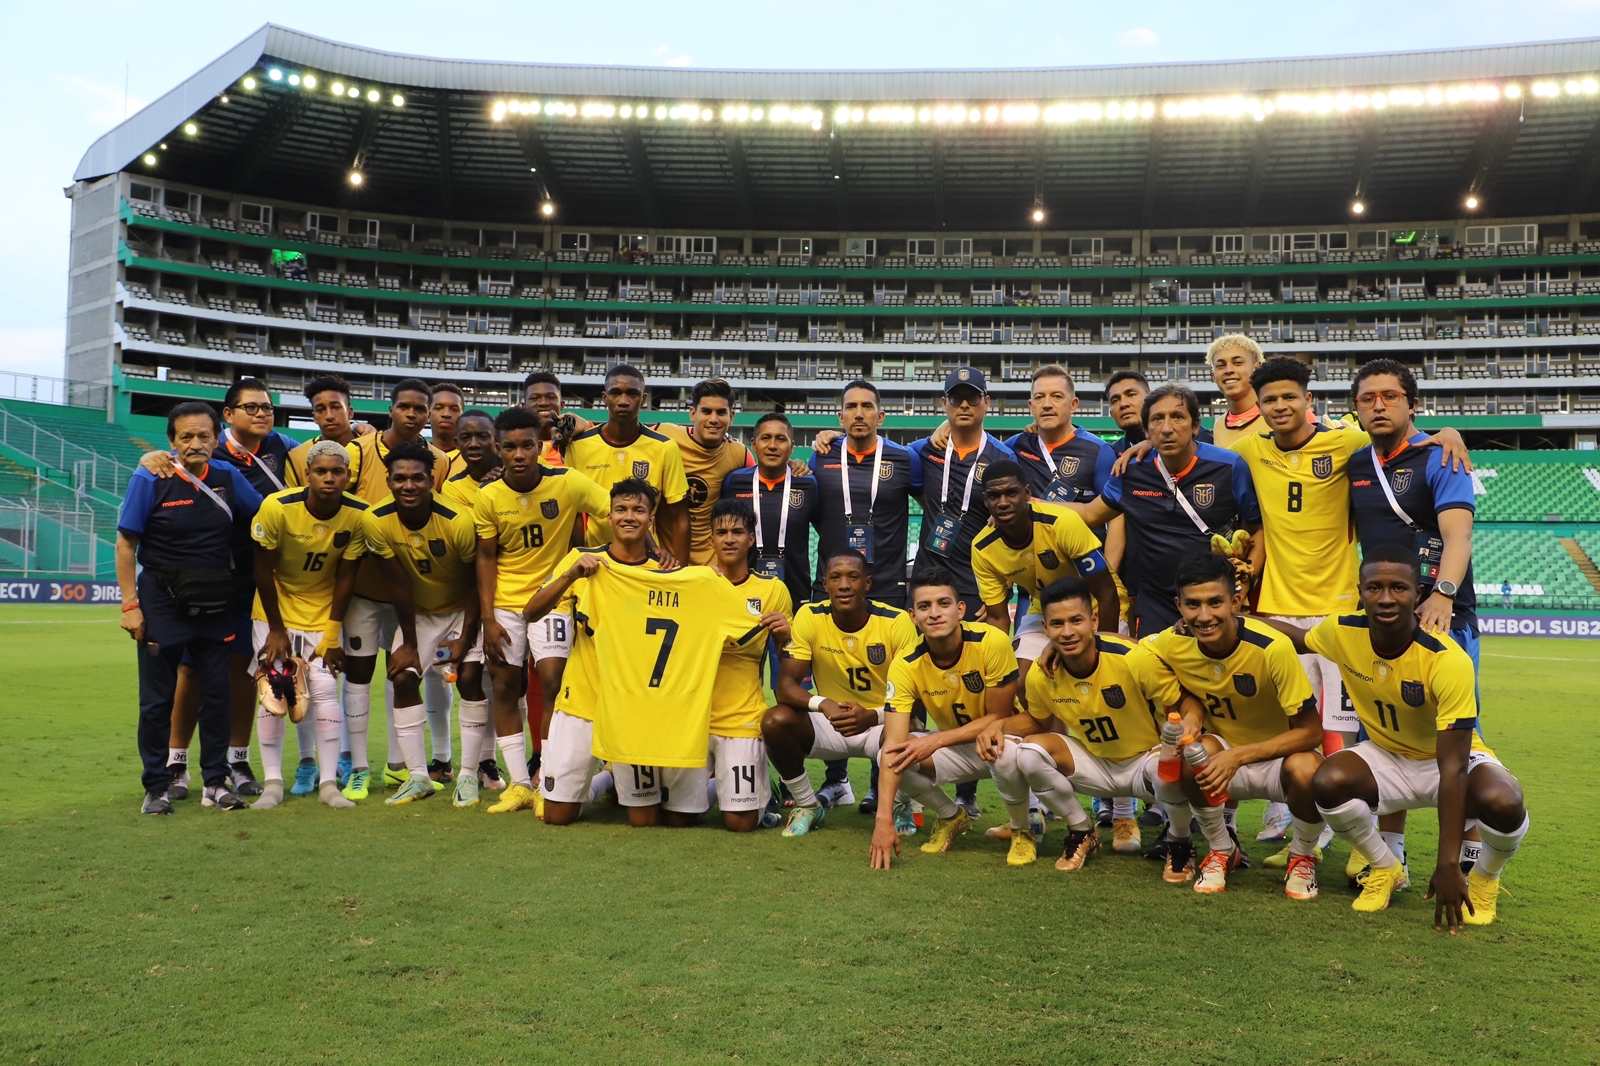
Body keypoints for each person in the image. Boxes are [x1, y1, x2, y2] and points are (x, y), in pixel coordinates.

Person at [1260, 546, 1529, 927]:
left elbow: (1452, 768)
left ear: (1417, 594)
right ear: (1361, 591)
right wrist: (1237, 619)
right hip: (1387, 756)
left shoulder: (1446, 659)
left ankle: (1485, 878)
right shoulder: (1342, 631)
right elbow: (1299, 638)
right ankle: (1386, 867)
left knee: (1503, 800)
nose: (1386, 598)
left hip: (1446, 762)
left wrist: (1448, 864)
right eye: (1375, 588)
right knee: (1328, 780)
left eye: (1399, 588)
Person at [135, 378, 300, 800]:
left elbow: (320, 453)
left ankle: (236, 761)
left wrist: (358, 430)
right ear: (227, 416)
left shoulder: (283, 445)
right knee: (191, 670)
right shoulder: (212, 452)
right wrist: (156, 456)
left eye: (267, 406)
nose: (262, 414)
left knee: (241, 671)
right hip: (199, 583)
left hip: (252, 581)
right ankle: (175, 765)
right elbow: (172, 462)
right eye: (251, 407)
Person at [1135, 551, 1325, 897]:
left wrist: (1239, 756)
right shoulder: (1170, 643)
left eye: (1215, 603)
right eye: (1193, 605)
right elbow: (1130, 651)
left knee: (1310, 770)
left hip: (1277, 760)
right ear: (1178, 605)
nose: (1204, 616)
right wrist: (1191, 713)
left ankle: (1302, 857)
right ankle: (1222, 849)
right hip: (1223, 754)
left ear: (1235, 601)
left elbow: (1311, 732)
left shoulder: (1273, 648)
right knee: (1191, 753)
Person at [984, 577, 1197, 870]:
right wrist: (1000, 727)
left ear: (1094, 620)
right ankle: (1082, 831)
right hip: (1096, 764)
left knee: (1169, 765)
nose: (1068, 632)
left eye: (1076, 620)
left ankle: (1180, 841)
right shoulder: (1040, 674)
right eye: (1057, 624)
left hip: (1146, 764)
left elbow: (1180, 700)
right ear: (1045, 629)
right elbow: (1037, 721)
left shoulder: (1132, 659)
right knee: (1027, 753)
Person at [116, 402, 263, 814]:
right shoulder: (150, 475)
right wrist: (131, 605)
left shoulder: (228, 475)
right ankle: (156, 787)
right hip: (161, 599)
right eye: (186, 437)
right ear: (171, 441)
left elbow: (268, 515)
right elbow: (126, 543)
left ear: (217, 439)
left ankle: (215, 783)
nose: (196, 444)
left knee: (217, 694)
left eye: (204, 436)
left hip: (216, 598)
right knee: (157, 699)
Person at [475, 407, 611, 815]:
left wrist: (651, 552)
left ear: (541, 447)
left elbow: (618, 508)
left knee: (552, 681)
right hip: (504, 604)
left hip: (553, 596)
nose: (519, 454)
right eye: (510, 447)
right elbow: (485, 558)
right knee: (503, 685)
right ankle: (519, 784)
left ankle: (548, 780)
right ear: (498, 450)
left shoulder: (568, 482)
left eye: (527, 445)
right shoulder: (489, 497)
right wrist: (488, 618)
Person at [806, 380, 924, 812]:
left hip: (890, 587)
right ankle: (836, 781)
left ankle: (882, 781)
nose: (859, 413)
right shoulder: (820, 458)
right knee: (831, 680)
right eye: (851, 407)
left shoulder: (902, 458)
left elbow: (935, 496)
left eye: (867, 406)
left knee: (892, 687)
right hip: (832, 586)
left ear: (881, 415)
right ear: (839, 417)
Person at [523, 479, 668, 826]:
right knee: (556, 816)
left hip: (633, 707)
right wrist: (571, 575)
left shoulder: (665, 572)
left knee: (644, 820)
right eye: (620, 509)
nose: (628, 517)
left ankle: (615, 776)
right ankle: (604, 781)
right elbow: (531, 612)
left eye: (638, 510)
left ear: (651, 519)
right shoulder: (581, 561)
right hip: (582, 703)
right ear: (609, 516)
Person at [1071, 384, 1262, 638]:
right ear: (1147, 430)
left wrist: (1243, 583)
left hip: (1213, 600)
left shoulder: (1228, 466)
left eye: (1178, 417)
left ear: (1195, 425)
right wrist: (1032, 505)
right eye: (1157, 419)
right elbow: (1089, 514)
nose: (1167, 428)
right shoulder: (1131, 471)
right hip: (1155, 603)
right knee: (1153, 672)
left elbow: (1257, 530)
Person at [341, 378, 452, 799]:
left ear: (428, 414)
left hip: (415, 593)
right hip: (366, 588)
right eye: (404, 406)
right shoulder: (358, 451)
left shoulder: (439, 460)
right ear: (390, 410)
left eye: (419, 408)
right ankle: (358, 766)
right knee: (358, 673)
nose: (412, 414)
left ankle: (397, 764)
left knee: (402, 673)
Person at [869, 567, 1022, 869]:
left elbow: (999, 715)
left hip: (1007, 741)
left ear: (960, 609)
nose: (934, 613)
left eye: (943, 603)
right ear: (913, 616)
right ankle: (952, 816)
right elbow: (893, 746)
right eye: (924, 607)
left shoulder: (991, 641)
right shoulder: (905, 664)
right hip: (959, 747)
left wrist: (937, 739)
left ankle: (1022, 829)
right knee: (892, 754)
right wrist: (882, 819)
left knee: (1001, 743)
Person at [765, 550, 919, 836]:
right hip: (833, 722)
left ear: (868, 584)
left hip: (883, 722)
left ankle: (901, 805)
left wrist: (872, 717)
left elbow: (914, 697)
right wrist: (825, 704)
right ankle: (809, 805)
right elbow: (784, 686)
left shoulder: (895, 622)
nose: (844, 585)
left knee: (909, 732)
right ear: (825, 584)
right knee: (775, 721)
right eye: (836, 577)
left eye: (853, 577)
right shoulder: (810, 616)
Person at [249, 441, 368, 809]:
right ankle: (273, 783)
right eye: (321, 471)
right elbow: (262, 570)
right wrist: (276, 628)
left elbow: (347, 577)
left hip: (323, 612)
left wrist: (333, 633)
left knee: (324, 691)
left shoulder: (359, 514)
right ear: (307, 474)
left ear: (348, 477)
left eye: (337, 472)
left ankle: (329, 784)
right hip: (274, 610)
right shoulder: (277, 507)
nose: (329, 478)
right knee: (273, 692)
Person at [360, 441, 480, 807]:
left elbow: (478, 581)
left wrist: (466, 638)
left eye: (417, 478)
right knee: (401, 676)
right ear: (389, 480)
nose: (408, 485)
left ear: (432, 480)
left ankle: (469, 777)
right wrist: (409, 644)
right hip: (422, 615)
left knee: (472, 679)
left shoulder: (457, 520)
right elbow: (398, 584)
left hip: (463, 608)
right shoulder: (375, 520)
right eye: (400, 478)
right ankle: (417, 778)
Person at [705, 498, 794, 831]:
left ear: (752, 539)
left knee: (740, 823)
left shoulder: (772, 590)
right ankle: (717, 788)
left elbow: (791, 666)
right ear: (711, 539)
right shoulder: (693, 582)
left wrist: (784, 638)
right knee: (675, 817)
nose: (729, 539)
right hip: (693, 715)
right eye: (721, 532)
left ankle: (758, 792)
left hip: (742, 716)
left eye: (738, 532)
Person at [438, 409, 504, 801]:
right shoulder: (455, 488)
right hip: (472, 593)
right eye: (467, 438)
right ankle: (469, 769)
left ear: (496, 438)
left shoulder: (521, 470)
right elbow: (476, 542)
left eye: (483, 436)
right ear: (457, 443)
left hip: (518, 591)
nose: (475, 444)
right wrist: (490, 493)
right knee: (465, 677)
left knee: (505, 681)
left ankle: (492, 762)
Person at [565, 363, 690, 564]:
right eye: (615, 393)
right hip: (595, 560)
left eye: (632, 394)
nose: (623, 401)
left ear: (644, 399)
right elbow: (574, 513)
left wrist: (682, 572)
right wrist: (580, 553)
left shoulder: (665, 447)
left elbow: (680, 518)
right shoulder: (578, 445)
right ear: (604, 398)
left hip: (645, 558)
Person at [719, 412, 818, 612]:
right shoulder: (734, 482)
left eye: (780, 439)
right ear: (753, 444)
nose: (772, 445)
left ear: (792, 447)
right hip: (742, 592)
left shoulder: (809, 484)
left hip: (795, 592)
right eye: (766, 438)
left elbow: (827, 531)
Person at [656, 379, 754, 565]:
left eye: (721, 412)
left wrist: (790, 463)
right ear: (693, 413)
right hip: (664, 561)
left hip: (712, 567)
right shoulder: (664, 436)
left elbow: (764, 478)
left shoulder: (740, 455)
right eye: (706, 411)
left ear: (731, 416)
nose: (714, 419)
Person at [286, 373, 366, 486]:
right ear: (314, 417)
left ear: (350, 412)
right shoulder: (297, 457)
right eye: (321, 409)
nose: (329, 416)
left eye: (336, 407)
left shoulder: (370, 447)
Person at [1206, 334, 1267, 449]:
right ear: (1214, 376)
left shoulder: (1278, 415)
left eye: (1238, 363)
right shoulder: (1219, 426)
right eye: (1220, 365)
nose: (1228, 370)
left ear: (1258, 368)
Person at [429, 382, 468, 476]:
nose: (446, 414)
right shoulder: (413, 454)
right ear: (428, 414)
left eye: (454, 409)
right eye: (438, 408)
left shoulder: (473, 459)